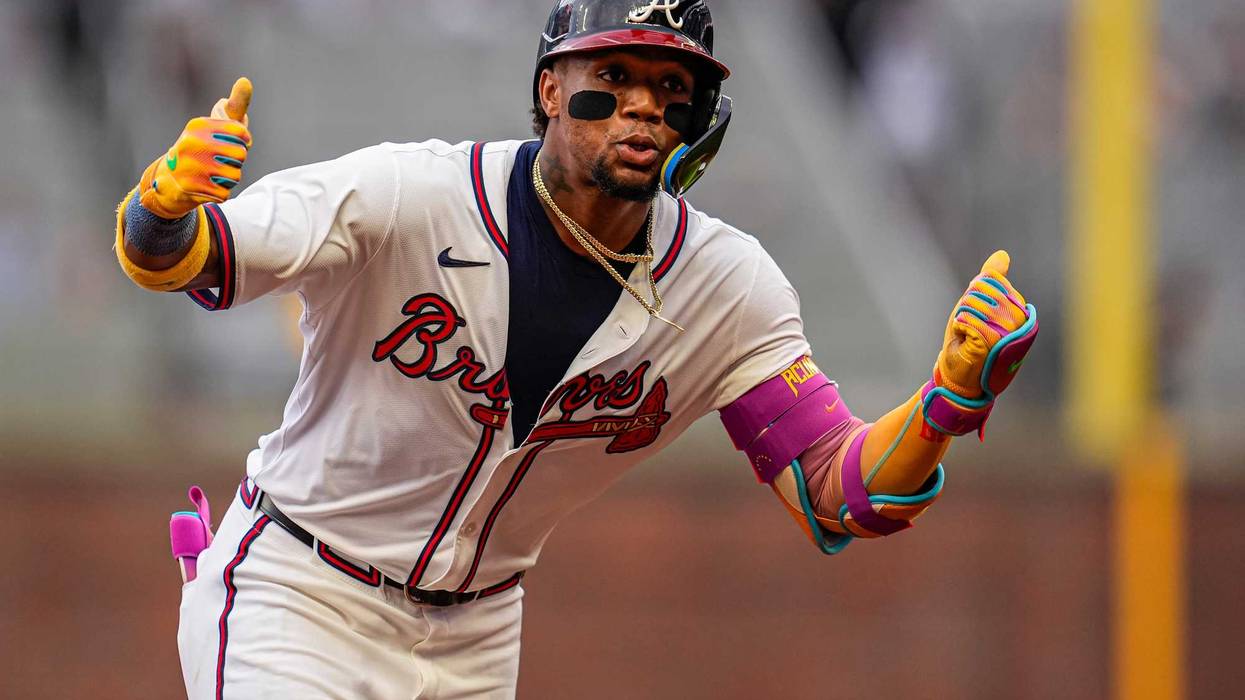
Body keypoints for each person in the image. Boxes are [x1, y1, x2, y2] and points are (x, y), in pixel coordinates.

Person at [114, 1, 1037, 697]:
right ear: (550, 88)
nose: (641, 106)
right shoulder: (407, 195)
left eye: (673, 89)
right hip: (303, 585)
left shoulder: (726, 284)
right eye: (615, 76)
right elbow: (192, 262)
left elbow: (840, 492)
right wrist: (161, 207)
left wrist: (950, 399)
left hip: (474, 637)